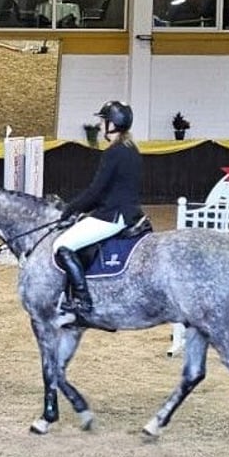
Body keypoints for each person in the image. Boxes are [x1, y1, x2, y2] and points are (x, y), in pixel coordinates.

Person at [53, 100, 144, 318]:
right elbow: (108, 191)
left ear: (112, 124)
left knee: (62, 244)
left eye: (103, 121)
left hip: (113, 216)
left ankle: (82, 301)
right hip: (126, 211)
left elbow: (96, 191)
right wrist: (82, 210)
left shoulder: (113, 153)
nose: (100, 125)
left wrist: (70, 209)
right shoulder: (132, 149)